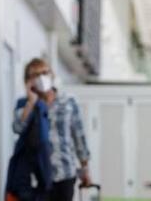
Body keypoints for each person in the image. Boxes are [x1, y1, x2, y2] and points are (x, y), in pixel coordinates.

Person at [11, 58, 91, 201]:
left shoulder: (68, 102)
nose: (41, 77)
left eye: (44, 73)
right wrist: (31, 102)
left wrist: (85, 170)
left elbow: (79, 136)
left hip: (64, 173)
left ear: (52, 75)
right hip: (37, 177)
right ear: (28, 81)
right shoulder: (24, 104)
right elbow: (17, 128)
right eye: (35, 75)